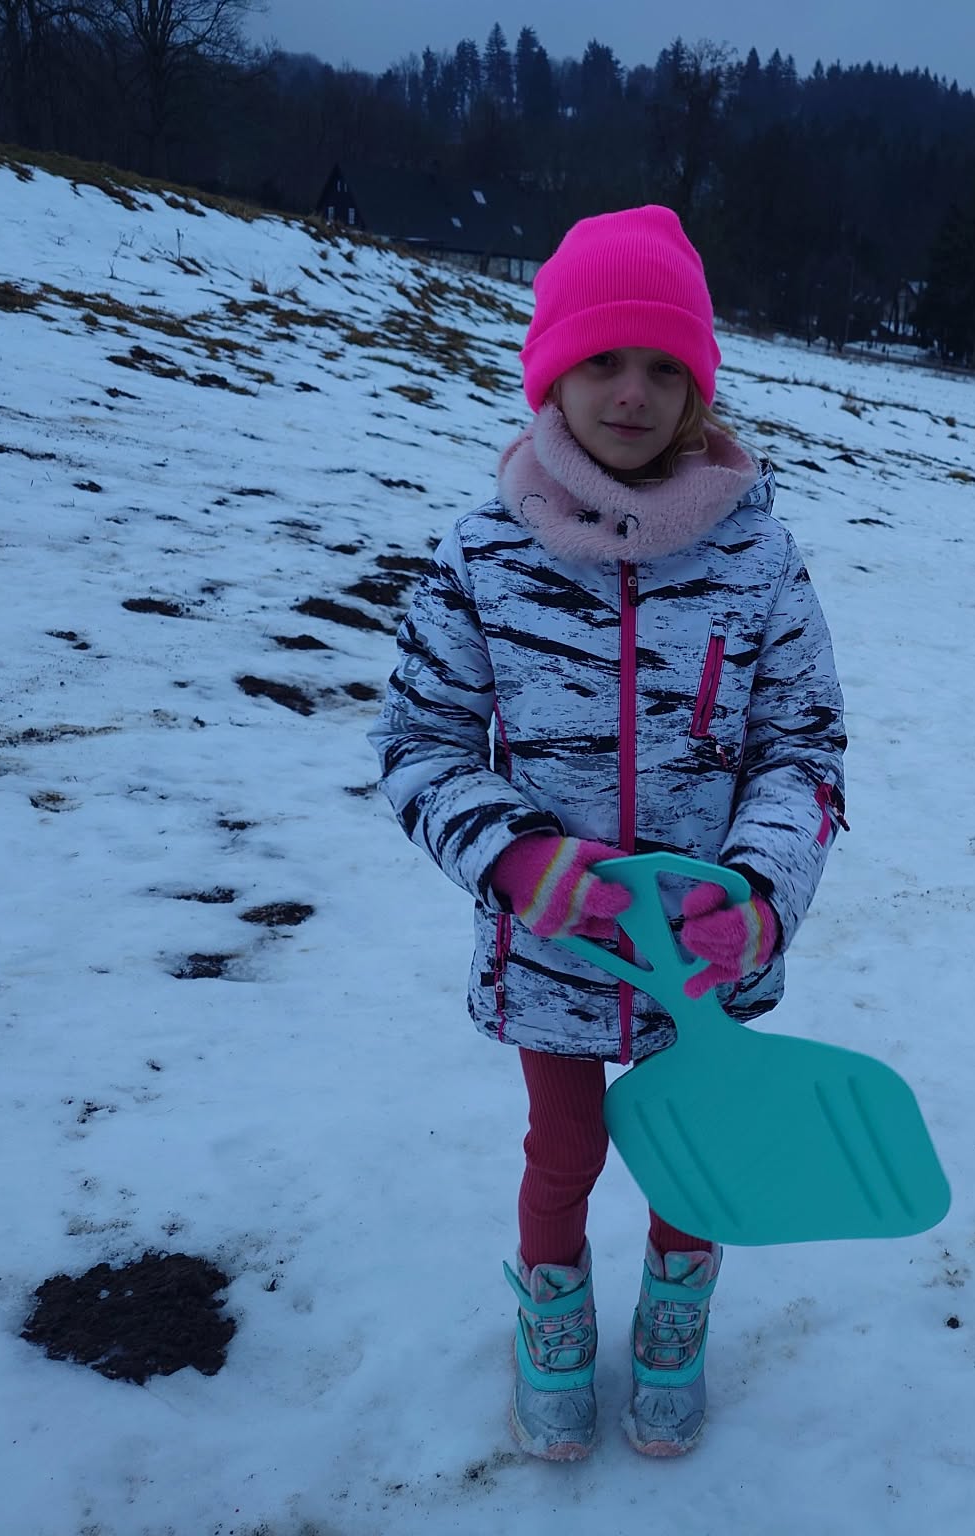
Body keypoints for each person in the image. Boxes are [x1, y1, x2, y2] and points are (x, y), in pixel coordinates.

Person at [369, 205, 848, 1461]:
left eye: (661, 368)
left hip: (705, 954)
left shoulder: (758, 560)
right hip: (556, 950)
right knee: (565, 1149)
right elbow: (419, 739)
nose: (630, 393)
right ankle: (555, 1319)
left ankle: (676, 1319)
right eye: (600, 362)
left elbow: (803, 751)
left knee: (703, 1150)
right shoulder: (483, 556)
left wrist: (760, 893)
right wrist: (516, 858)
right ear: (550, 373)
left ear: (696, 388)